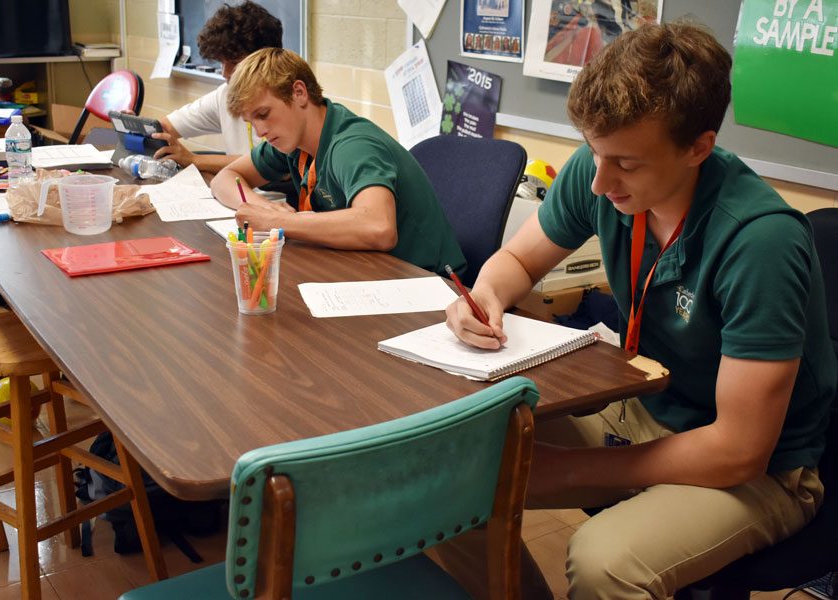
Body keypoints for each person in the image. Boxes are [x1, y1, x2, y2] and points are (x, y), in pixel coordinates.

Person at [438, 21, 836, 599]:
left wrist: (566, 470)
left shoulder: (760, 243)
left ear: (699, 147)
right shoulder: (601, 167)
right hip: (647, 400)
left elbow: (739, 450)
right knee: (453, 479)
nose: (600, 182)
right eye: (595, 153)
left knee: (605, 563)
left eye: (625, 163)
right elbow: (515, 263)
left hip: (759, 467)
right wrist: (484, 299)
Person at [209, 48, 466, 275]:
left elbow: (379, 228)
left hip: (429, 280)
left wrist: (277, 222)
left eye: (263, 114)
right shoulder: (291, 141)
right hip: (367, 269)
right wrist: (262, 209)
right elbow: (225, 178)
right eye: (251, 122)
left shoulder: (352, 146)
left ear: (299, 93)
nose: (260, 131)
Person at [151, 1, 283, 173]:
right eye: (221, 62)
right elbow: (166, 127)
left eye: (234, 63)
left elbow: (276, 164)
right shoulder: (226, 94)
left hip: (272, 198)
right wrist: (135, 127)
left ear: (263, 59)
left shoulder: (284, 100)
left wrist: (194, 160)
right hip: (232, 191)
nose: (224, 73)